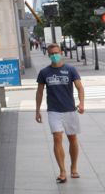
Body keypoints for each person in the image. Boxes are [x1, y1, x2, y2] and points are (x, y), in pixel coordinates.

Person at [35, 43, 86, 183]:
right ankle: (62, 171)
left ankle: (73, 167)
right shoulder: (44, 72)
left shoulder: (70, 69)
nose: (54, 55)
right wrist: (37, 110)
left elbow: (80, 88)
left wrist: (81, 104)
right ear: (49, 55)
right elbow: (39, 92)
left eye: (56, 52)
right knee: (57, 138)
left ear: (61, 52)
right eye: (52, 53)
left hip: (70, 110)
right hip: (53, 111)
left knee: (72, 139)